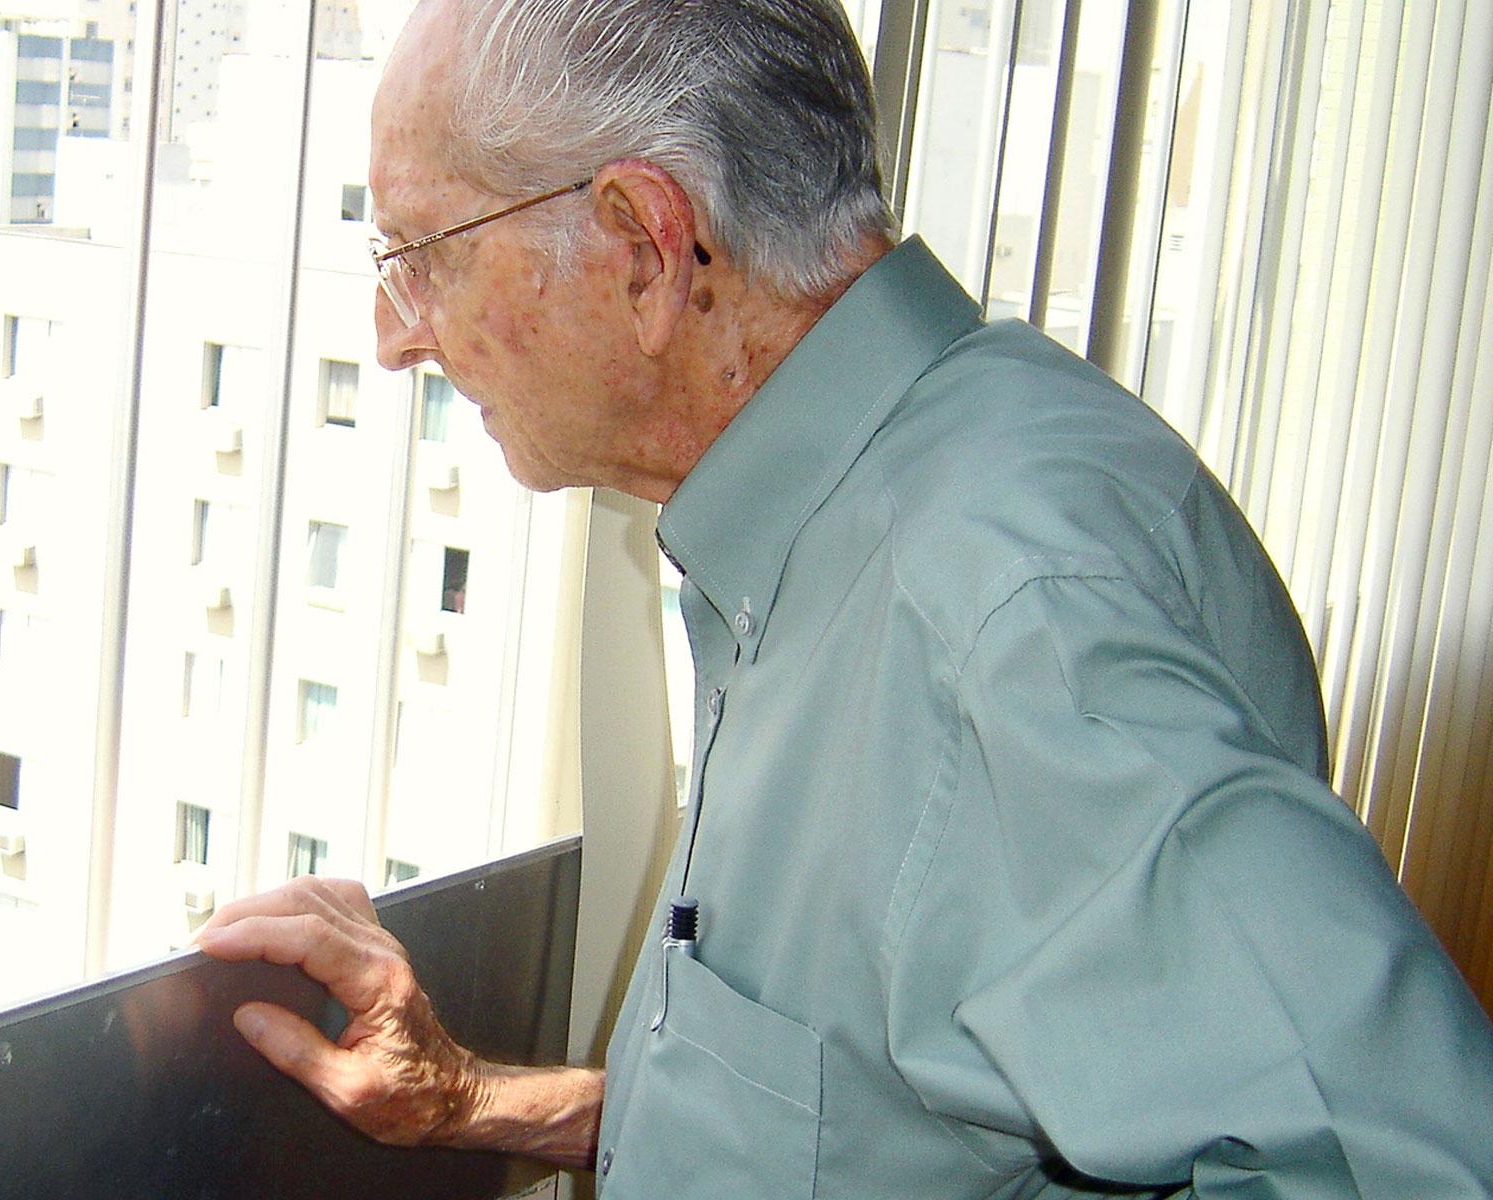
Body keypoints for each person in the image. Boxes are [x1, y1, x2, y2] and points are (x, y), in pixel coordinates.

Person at [194, 0, 1493, 1194]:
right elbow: (876, 1120)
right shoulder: (842, 522)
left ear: (645, 247)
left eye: (422, 256)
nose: (394, 334)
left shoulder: (1006, 611)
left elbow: (1405, 1169)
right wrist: (482, 1101)